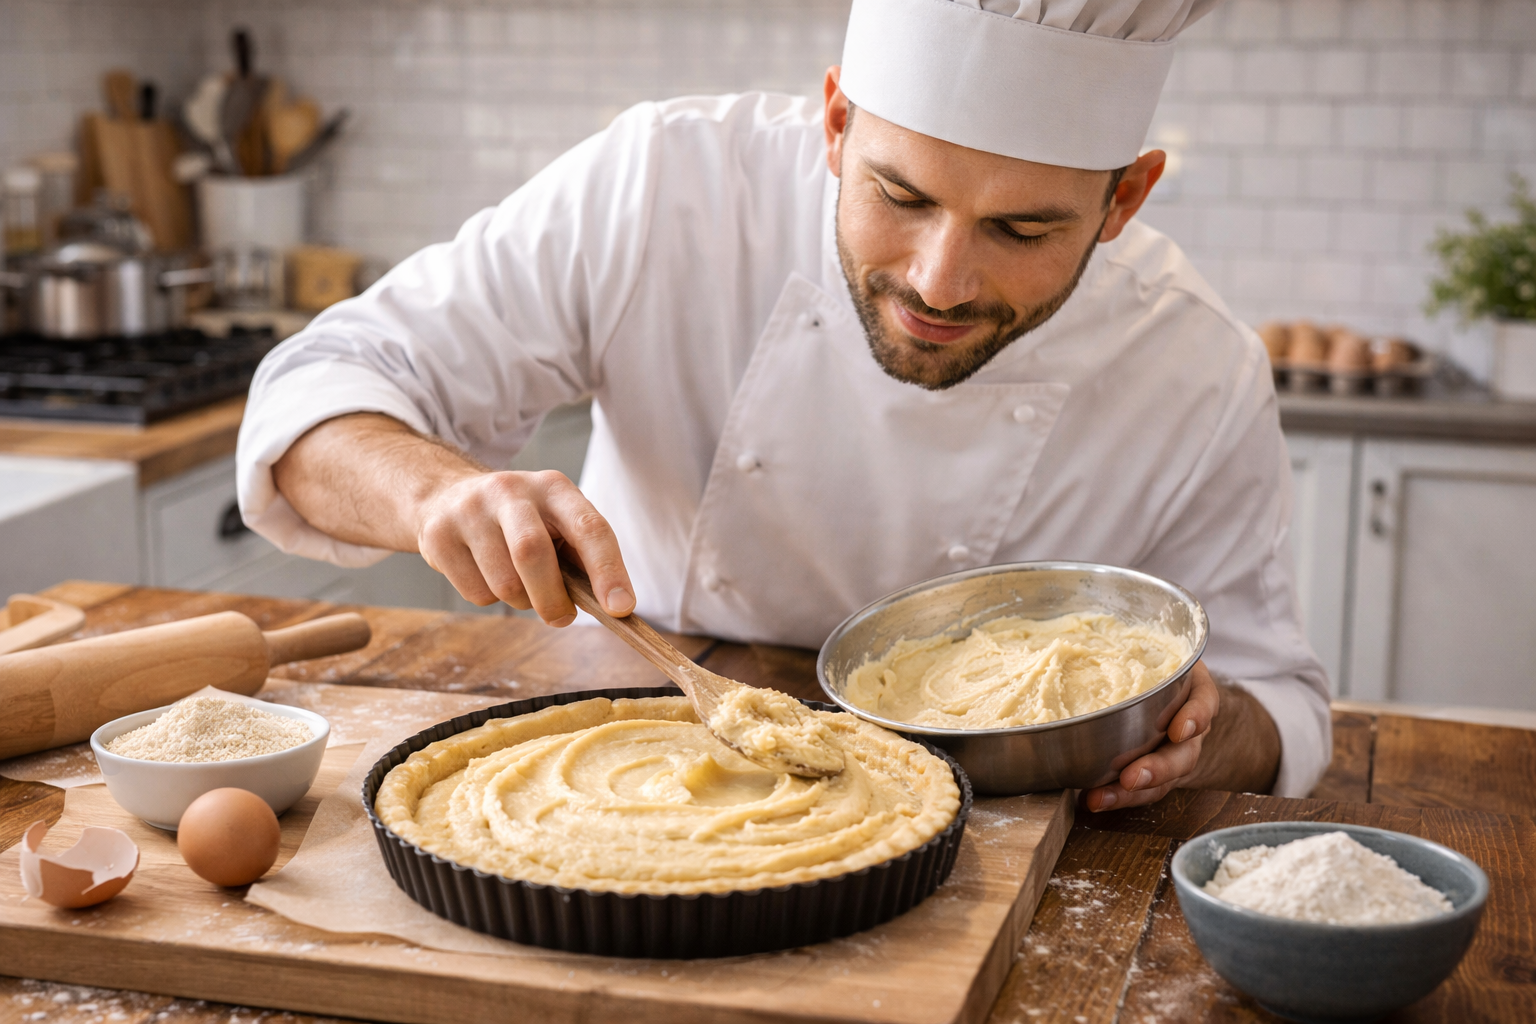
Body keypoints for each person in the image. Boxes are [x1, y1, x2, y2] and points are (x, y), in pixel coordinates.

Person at [237, 0, 1332, 811]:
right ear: (836, 123)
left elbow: (1282, 714)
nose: (939, 280)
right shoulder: (666, 185)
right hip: (629, 753)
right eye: (900, 196)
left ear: (1124, 199)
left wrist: (1207, 729)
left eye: (1024, 230)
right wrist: (441, 492)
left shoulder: (1195, 366)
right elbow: (311, 402)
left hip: (1001, 825)